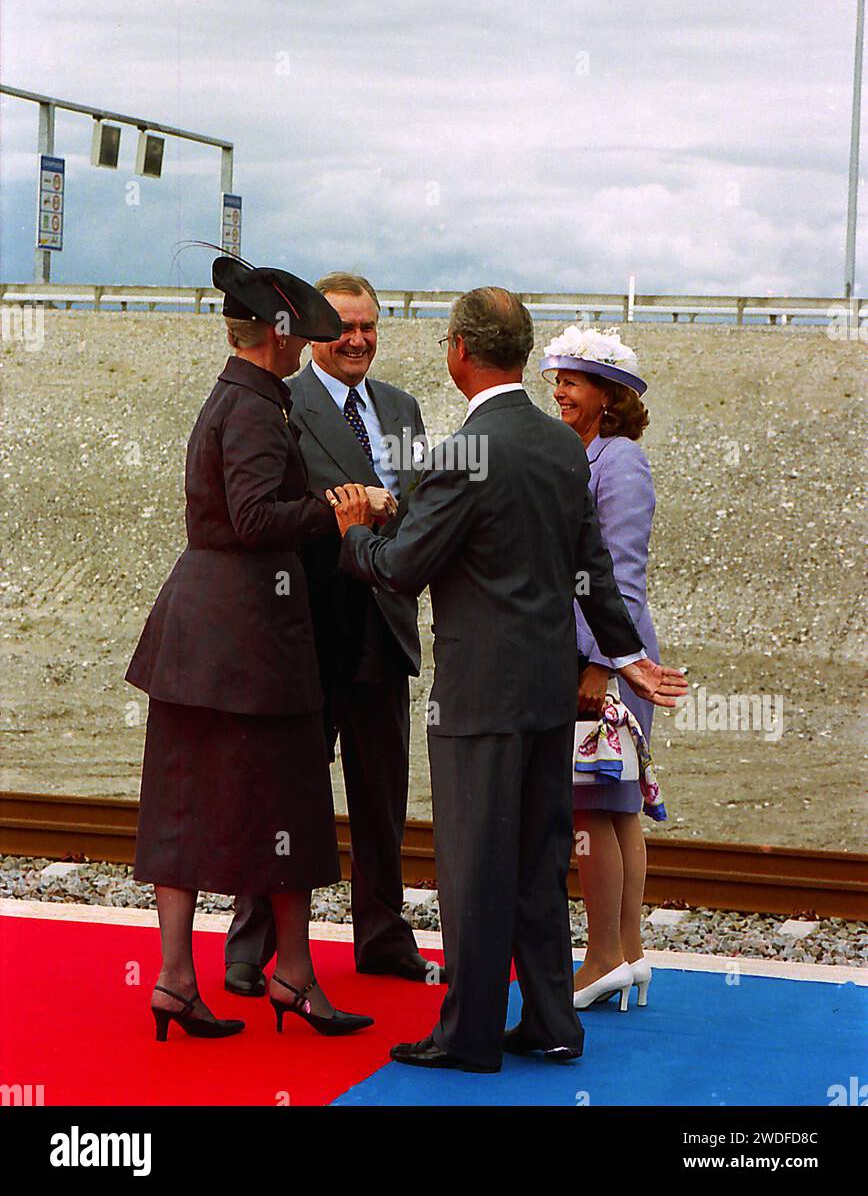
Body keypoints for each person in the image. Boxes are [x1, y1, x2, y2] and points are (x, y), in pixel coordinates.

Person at [329, 288, 688, 1073]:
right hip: (547, 693)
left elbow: (401, 570)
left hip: (478, 697)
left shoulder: (464, 450)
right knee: (536, 861)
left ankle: (467, 1035)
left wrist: (355, 534)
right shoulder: (563, 446)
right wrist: (629, 662)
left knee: (472, 865)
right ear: (524, 356)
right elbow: (594, 571)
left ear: (458, 349)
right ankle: (555, 1023)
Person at [127, 255, 382, 1042]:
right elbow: (254, 520)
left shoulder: (235, 398)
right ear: (273, 338)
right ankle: (294, 976)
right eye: (297, 334)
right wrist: (340, 509)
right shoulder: (253, 409)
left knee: (181, 803)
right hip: (251, 643)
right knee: (291, 802)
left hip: (197, 637)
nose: (307, 346)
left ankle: (175, 979)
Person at [225, 272, 443, 992]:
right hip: (309, 632)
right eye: (344, 327)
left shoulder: (404, 411)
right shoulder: (281, 405)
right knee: (284, 795)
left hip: (383, 630)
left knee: (382, 802)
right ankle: (250, 947)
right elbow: (271, 511)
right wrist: (346, 515)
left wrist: (396, 526)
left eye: (369, 327)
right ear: (317, 330)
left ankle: (383, 936)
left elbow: (423, 514)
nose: (357, 340)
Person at [541, 325, 659, 1010]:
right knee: (616, 808)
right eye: (557, 378)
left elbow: (621, 572)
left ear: (608, 397)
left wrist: (599, 664)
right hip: (608, 656)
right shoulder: (582, 453)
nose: (558, 390)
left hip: (608, 659)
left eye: (573, 380)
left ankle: (603, 957)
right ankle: (630, 955)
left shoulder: (620, 462)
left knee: (595, 805)